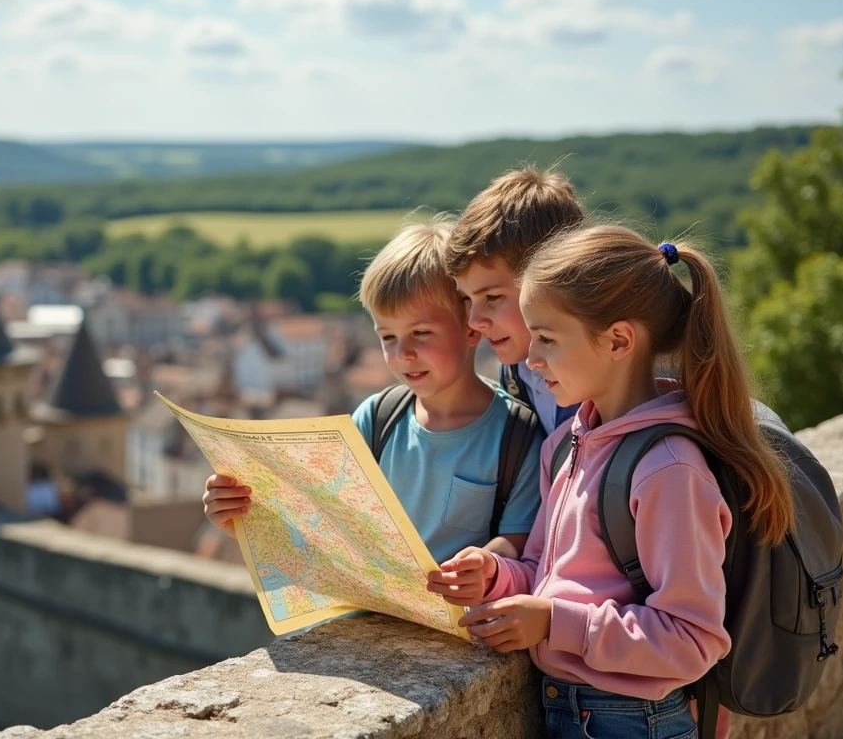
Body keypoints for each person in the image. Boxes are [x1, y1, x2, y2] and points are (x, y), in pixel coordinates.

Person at [432, 225, 795, 739]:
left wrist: (556, 623)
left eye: (549, 339)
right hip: (576, 709)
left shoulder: (669, 469)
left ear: (619, 340)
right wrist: (496, 575)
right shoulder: (569, 442)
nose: (532, 359)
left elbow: (691, 639)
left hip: (640, 721)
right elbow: (548, 572)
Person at [203, 214, 543, 566]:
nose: (403, 353)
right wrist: (244, 519)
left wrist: (483, 568)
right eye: (387, 337)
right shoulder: (377, 419)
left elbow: (517, 546)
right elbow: (330, 526)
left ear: (471, 328)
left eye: (421, 333)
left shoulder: (518, 437)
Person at [445, 165, 586, 432]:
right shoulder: (516, 373)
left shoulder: (606, 387)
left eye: (493, 297)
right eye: (467, 299)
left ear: (556, 279)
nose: (474, 321)